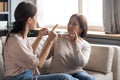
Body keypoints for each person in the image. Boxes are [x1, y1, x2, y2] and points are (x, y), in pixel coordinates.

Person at [3, 1, 78, 80]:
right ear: (29, 20)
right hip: (19, 78)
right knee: (65, 78)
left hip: (26, 75)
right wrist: (50, 41)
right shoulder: (16, 40)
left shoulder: (19, 36)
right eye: (36, 16)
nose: (37, 19)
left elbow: (28, 53)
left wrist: (39, 37)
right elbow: (39, 64)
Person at [47, 14, 95, 80]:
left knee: (89, 78)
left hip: (77, 72)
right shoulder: (59, 38)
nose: (70, 26)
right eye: (69, 22)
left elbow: (81, 64)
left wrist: (75, 45)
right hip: (58, 74)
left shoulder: (85, 45)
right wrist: (49, 40)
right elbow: (46, 57)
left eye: (74, 24)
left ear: (81, 29)